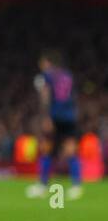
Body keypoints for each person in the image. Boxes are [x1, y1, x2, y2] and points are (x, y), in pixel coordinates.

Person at [28, 50, 82, 199]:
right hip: (70, 117)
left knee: (46, 149)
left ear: (47, 62)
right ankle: (76, 186)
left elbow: (45, 96)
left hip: (55, 116)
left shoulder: (46, 76)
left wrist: (46, 117)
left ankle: (42, 185)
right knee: (71, 150)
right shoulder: (68, 75)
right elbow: (73, 96)